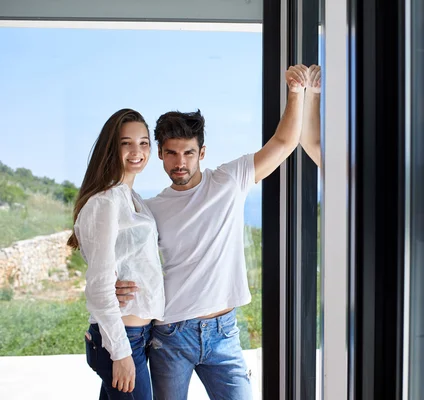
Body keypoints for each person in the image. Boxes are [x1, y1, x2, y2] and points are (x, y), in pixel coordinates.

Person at [115, 64, 308, 400]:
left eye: (189, 153)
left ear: (201, 153)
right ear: (159, 153)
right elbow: (127, 259)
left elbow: (285, 141)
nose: (180, 162)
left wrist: (295, 92)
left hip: (223, 333)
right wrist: (114, 286)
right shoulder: (151, 208)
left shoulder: (228, 181)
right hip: (170, 334)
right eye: (172, 153)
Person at [67, 109, 165, 399]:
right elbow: (98, 286)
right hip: (121, 340)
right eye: (127, 143)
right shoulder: (106, 202)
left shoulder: (132, 198)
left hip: (138, 336)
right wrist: (120, 353)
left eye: (144, 143)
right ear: (112, 147)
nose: (137, 151)